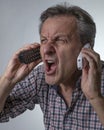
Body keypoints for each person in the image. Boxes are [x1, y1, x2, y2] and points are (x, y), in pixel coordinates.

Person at [0, 2, 104, 130]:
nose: (47, 49)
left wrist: (96, 98)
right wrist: (7, 80)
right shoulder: (40, 77)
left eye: (60, 40)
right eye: (44, 40)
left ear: (87, 47)